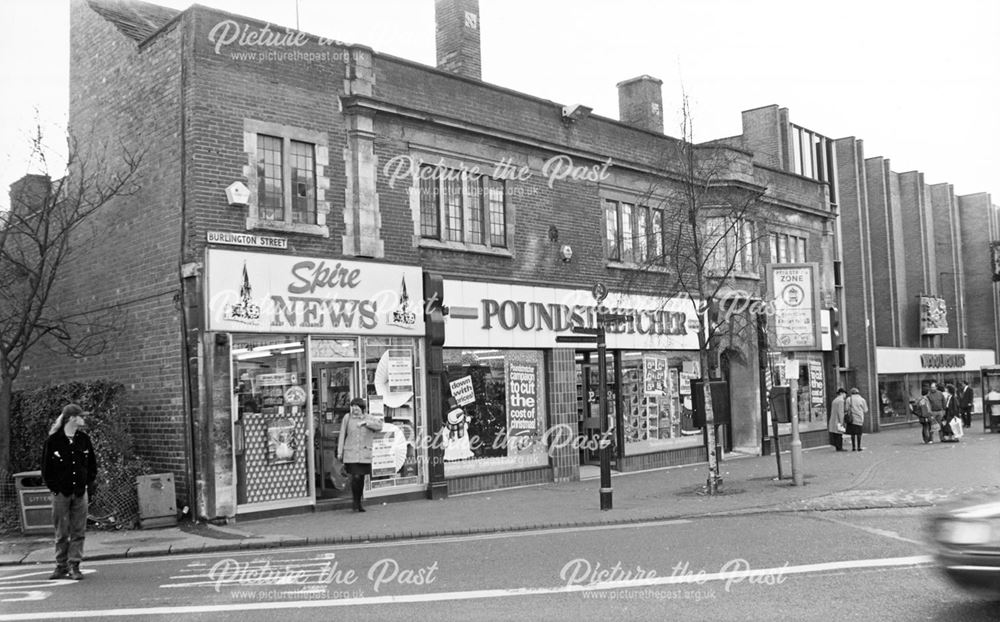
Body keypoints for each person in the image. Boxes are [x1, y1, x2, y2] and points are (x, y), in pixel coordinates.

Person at [41, 404, 97, 581]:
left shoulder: (84, 439)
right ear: (72, 418)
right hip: (61, 494)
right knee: (61, 531)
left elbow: (92, 466)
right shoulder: (53, 441)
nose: (83, 419)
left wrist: (87, 483)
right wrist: (55, 489)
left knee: (78, 530)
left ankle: (74, 565)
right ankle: (60, 566)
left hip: (80, 492)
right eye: (81, 416)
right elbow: (46, 469)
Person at [337, 397, 383, 512]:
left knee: (361, 478)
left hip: (364, 453)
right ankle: (355, 502)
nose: (354, 409)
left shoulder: (369, 418)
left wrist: (366, 423)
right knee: (355, 477)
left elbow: (380, 426)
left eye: (356, 407)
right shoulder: (347, 418)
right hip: (350, 453)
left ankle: (359, 502)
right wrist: (339, 452)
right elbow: (342, 435)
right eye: (352, 407)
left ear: (362, 408)